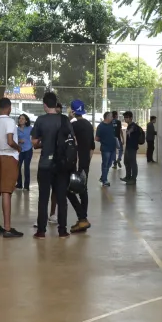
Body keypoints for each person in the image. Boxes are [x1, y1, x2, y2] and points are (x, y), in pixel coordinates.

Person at [32, 92, 76, 238]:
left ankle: (41, 231)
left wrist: (43, 143)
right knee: (62, 198)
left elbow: (34, 143)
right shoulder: (64, 120)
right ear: (56, 104)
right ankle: (62, 230)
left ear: (45, 105)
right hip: (62, 165)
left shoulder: (41, 120)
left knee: (43, 198)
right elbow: (72, 140)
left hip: (45, 164)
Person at [0, 98, 22, 238]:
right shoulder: (10, 122)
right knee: (6, 191)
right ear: (9, 108)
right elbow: (10, 141)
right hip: (9, 157)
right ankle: (7, 228)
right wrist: (18, 148)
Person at [69, 99, 94, 232]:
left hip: (74, 162)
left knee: (68, 189)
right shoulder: (89, 125)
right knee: (83, 191)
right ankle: (82, 219)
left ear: (72, 111)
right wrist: (86, 163)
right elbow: (92, 148)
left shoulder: (72, 125)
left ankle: (82, 217)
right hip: (85, 163)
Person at [121, 111, 144, 184]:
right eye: (124, 117)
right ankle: (128, 177)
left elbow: (133, 130)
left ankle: (133, 179)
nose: (125, 119)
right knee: (126, 162)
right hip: (128, 147)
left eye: (127, 117)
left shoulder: (134, 126)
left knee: (133, 163)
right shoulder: (129, 125)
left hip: (132, 148)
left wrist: (130, 131)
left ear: (131, 118)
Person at [95, 112, 117, 187]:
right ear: (107, 117)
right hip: (105, 149)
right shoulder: (100, 126)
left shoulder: (112, 125)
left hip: (112, 148)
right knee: (105, 164)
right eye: (111, 116)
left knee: (109, 164)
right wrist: (104, 140)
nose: (112, 118)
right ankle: (104, 180)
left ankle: (103, 177)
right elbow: (96, 138)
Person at [16, 114, 33, 191]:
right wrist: (19, 141)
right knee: (18, 167)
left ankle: (26, 186)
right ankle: (19, 184)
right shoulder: (16, 129)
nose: (21, 120)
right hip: (20, 150)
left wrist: (32, 143)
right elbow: (13, 139)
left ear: (26, 120)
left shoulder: (30, 128)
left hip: (28, 150)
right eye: (20, 118)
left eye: (23, 119)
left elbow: (35, 136)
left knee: (26, 167)